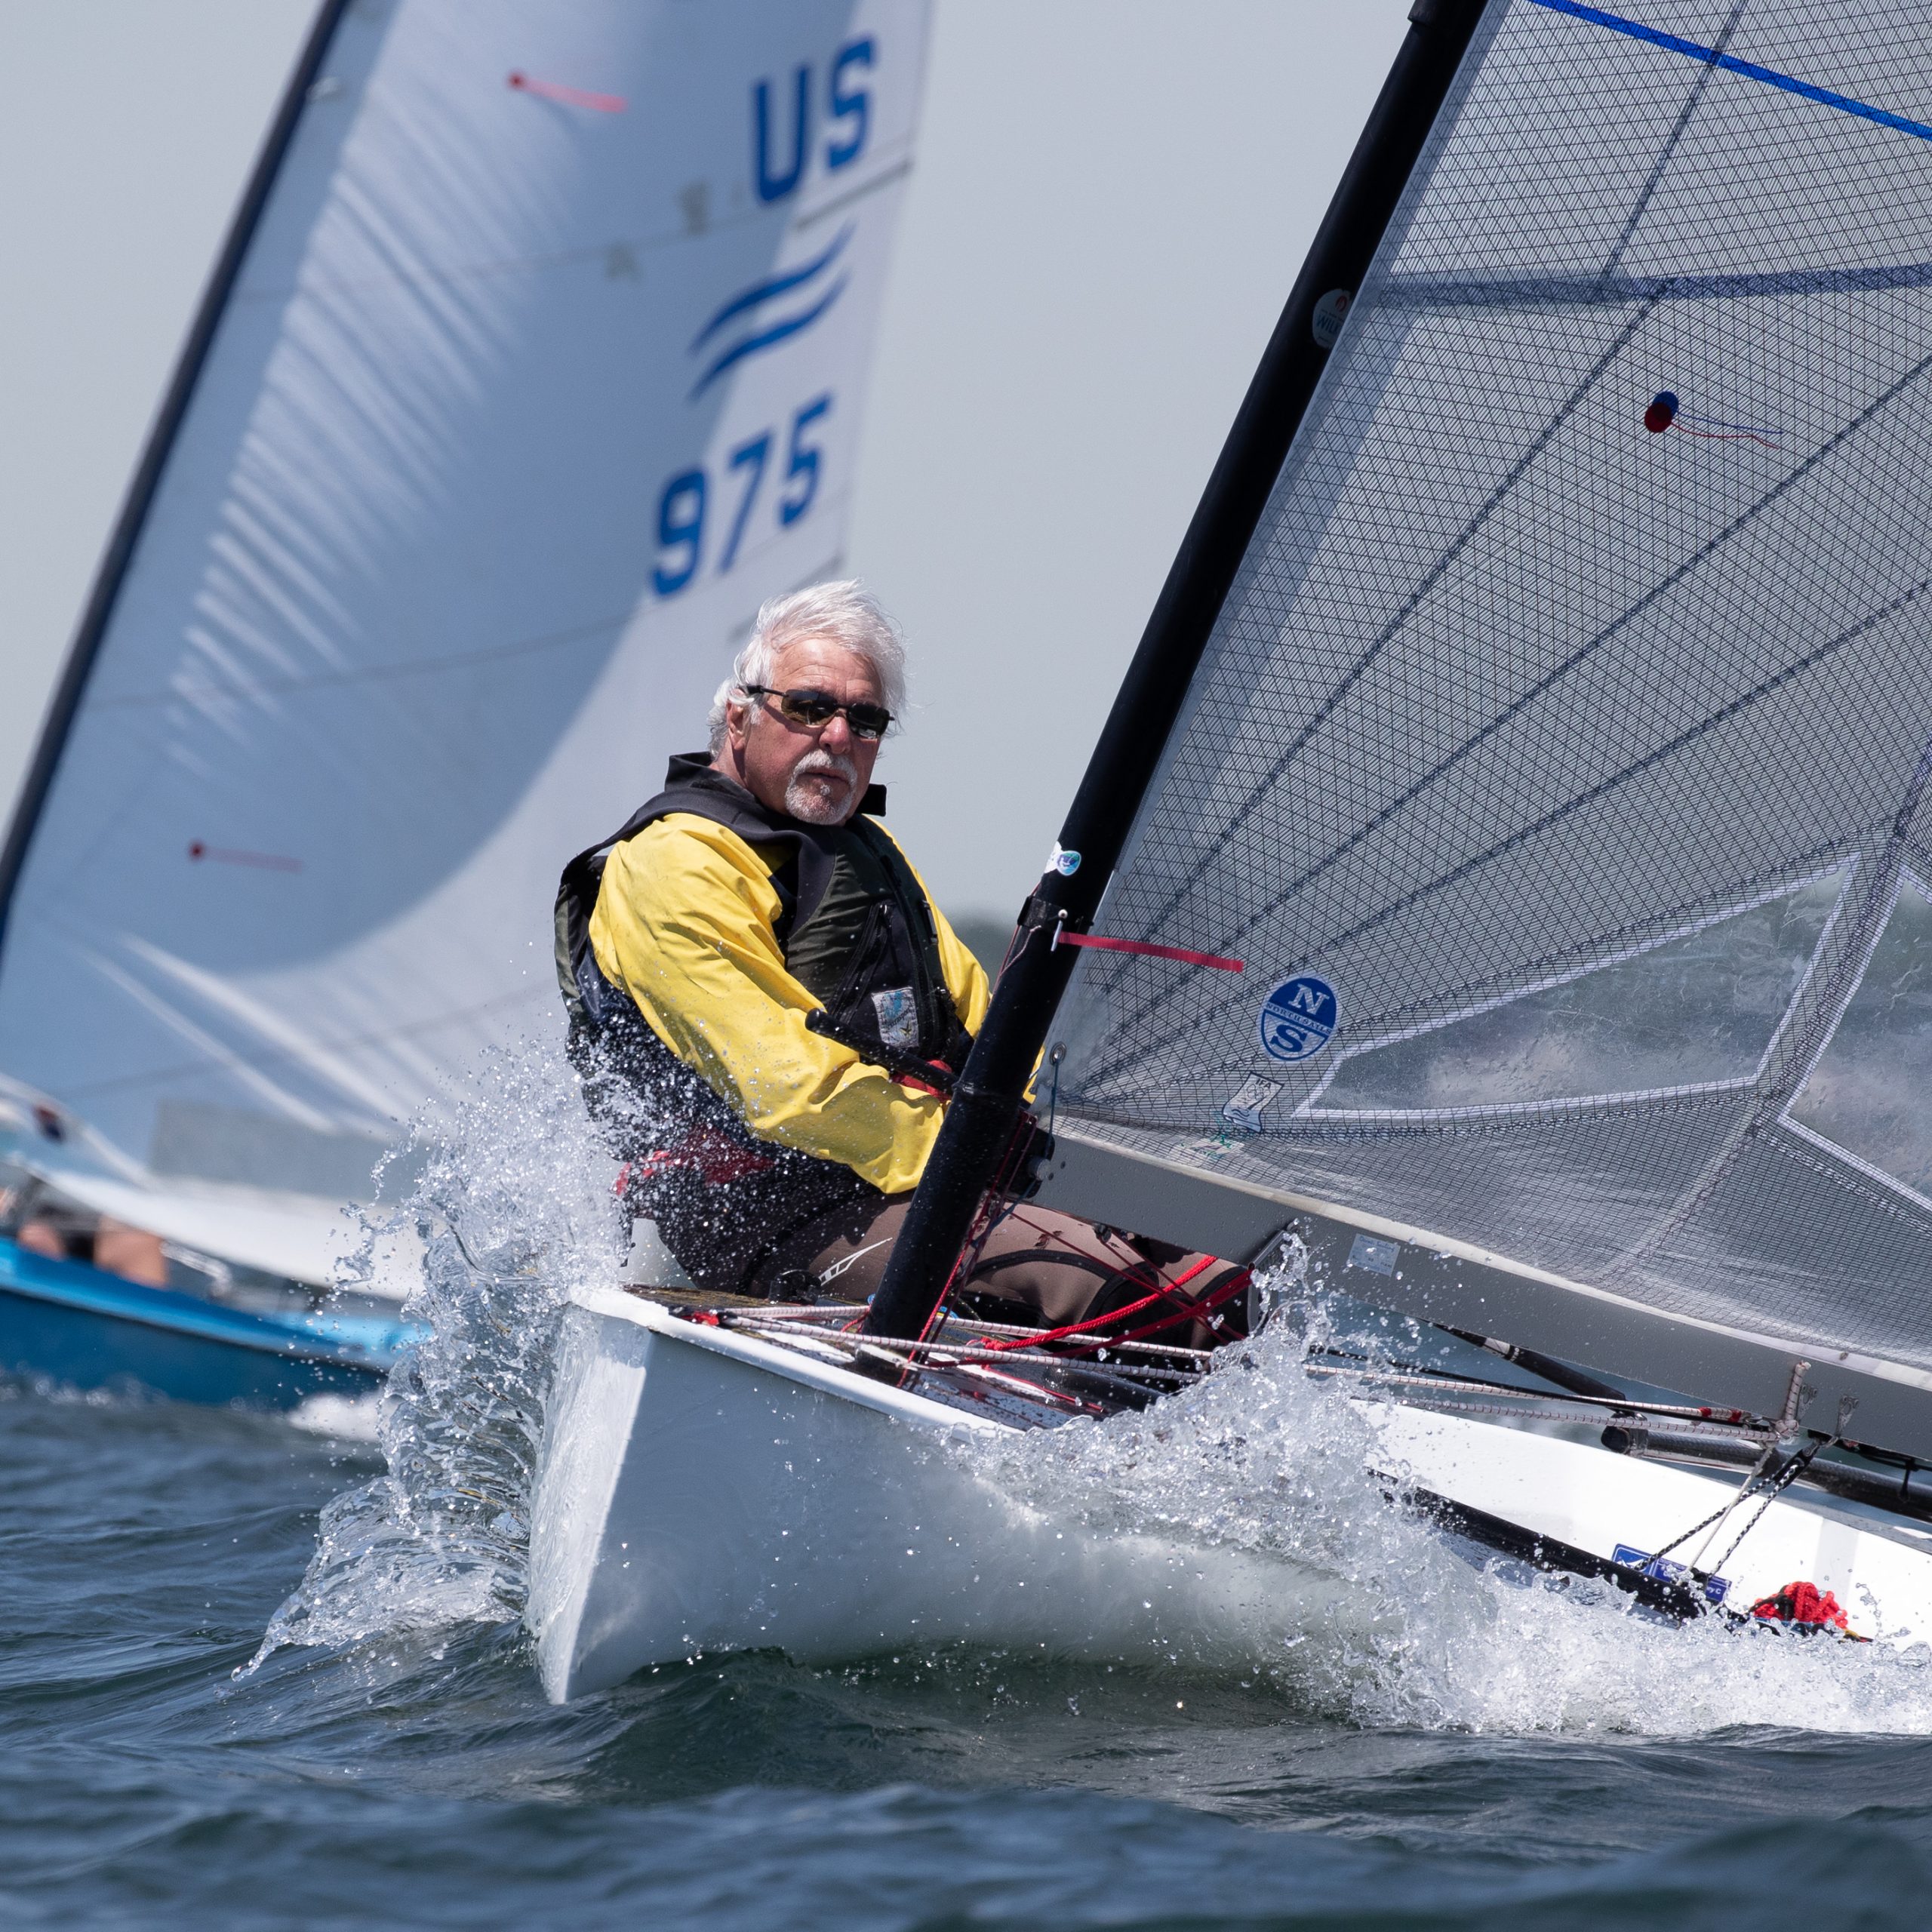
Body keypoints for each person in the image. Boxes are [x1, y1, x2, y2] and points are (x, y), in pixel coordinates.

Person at [554, 581, 1247, 1346]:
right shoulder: (674, 864)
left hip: (911, 1182)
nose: (837, 735)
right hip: (764, 1212)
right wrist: (977, 1154)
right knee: (1128, 1298)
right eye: (809, 707)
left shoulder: (870, 856)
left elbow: (987, 1034)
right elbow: (781, 1086)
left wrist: (1075, 1151)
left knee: (1222, 1282)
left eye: (866, 719)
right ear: (739, 716)